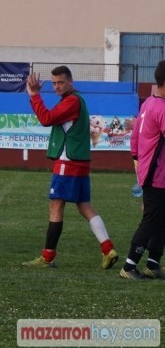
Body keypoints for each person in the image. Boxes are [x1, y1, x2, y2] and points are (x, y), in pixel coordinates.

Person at [23, 65, 118, 269]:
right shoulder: (75, 100)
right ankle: (108, 249)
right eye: (54, 83)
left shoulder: (72, 101)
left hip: (68, 163)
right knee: (84, 206)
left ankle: (47, 257)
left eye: (61, 82)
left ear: (70, 82)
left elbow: (46, 119)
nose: (57, 86)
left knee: (56, 206)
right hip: (79, 162)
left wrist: (34, 95)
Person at [119, 60, 165, 279]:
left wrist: (140, 165)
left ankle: (153, 264)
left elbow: (135, 139)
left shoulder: (148, 103)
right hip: (158, 176)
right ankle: (129, 267)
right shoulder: (162, 108)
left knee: (159, 220)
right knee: (150, 220)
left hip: (151, 174)